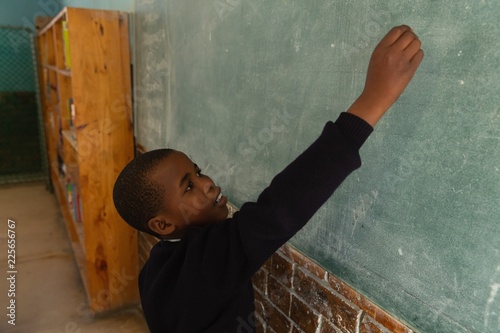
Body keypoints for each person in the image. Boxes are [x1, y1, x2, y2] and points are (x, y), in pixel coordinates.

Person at [113, 25, 423, 333]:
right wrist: (373, 100)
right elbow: (281, 208)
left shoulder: (158, 267)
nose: (206, 182)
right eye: (189, 186)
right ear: (164, 225)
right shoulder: (202, 264)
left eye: (198, 170)